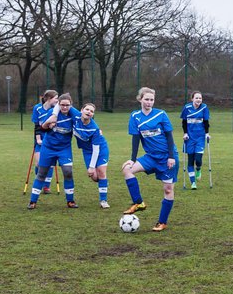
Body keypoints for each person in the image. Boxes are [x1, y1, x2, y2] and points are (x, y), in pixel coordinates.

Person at [123, 87, 179, 232]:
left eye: (151, 100)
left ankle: (162, 222)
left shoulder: (161, 114)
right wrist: (132, 159)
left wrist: (171, 156)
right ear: (140, 99)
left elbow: (169, 136)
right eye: (146, 99)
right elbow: (136, 138)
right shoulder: (135, 116)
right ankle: (139, 203)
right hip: (151, 156)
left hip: (167, 156)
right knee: (127, 170)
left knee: (168, 189)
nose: (149, 102)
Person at [28, 92, 79, 209]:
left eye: (67, 105)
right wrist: (48, 123)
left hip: (64, 148)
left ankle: (70, 201)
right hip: (48, 147)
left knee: (68, 172)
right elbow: (42, 128)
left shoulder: (73, 114)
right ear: (58, 105)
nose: (65, 107)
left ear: (71, 104)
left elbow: (85, 118)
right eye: (62, 105)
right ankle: (32, 201)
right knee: (41, 173)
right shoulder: (52, 113)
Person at [73, 102, 111, 208]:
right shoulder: (74, 117)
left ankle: (103, 201)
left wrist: (91, 167)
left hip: (100, 149)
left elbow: (96, 150)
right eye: (87, 110)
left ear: (93, 115)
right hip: (86, 151)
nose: (89, 112)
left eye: (91, 111)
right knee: (95, 177)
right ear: (81, 110)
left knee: (102, 173)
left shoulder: (95, 129)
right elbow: (64, 102)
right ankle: (103, 182)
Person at [180, 91, 210, 190]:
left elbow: (206, 122)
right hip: (190, 138)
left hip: (200, 137)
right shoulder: (187, 108)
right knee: (190, 160)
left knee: (198, 159)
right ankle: (193, 182)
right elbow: (184, 122)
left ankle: (198, 169)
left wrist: (207, 134)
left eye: (200, 98)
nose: (198, 100)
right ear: (192, 99)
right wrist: (185, 133)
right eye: (196, 98)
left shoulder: (204, 107)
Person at [31, 89, 59, 194]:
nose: (58, 100)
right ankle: (39, 181)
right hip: (40, 138)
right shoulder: (37, 108)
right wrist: (38, 139)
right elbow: (37, 125)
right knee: (39, 163)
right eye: (56, 98)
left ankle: (46, 187)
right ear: (49, 99)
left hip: (51, 139)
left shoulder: (56, 109)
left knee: (50, 164)